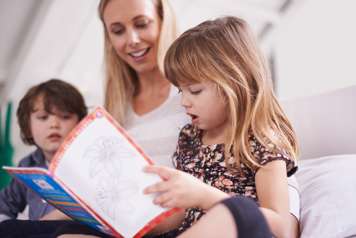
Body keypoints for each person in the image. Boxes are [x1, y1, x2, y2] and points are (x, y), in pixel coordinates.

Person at [142, 16, 299, 237]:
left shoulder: (262, 141)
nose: (184, 102)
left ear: (234, 83)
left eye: (195, 90)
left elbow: (281, 227)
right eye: (181, 91)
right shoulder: (190, 137)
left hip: (235, 230)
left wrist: (205, 196)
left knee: (234, 212)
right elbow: (182, 214)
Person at [0, 79, 87, 223]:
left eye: (65, 117)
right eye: (43, 117)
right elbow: (4, 205)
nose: (54, 124)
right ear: (28, 128)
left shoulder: (90, 163)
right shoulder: (28, 165)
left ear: (81, 124)